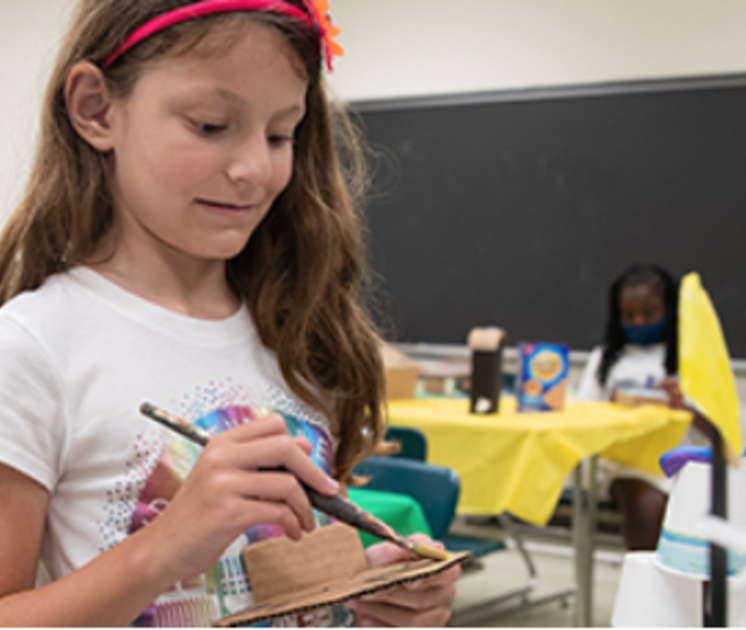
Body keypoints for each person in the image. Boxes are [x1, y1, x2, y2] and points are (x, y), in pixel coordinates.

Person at [0, 1, 459, 626]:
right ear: (96, 109)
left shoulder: (296, 332)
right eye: (210, 125)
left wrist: (369, 593)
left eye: (279, 135)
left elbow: (268, 586)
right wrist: (164, 547)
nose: (253, 170)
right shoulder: (31, 348)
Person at [575, 263, 710, 551]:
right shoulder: (605, 359)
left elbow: (721, 433)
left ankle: (687, 592)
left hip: (681, 462)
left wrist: (683, 407)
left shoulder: (692, 358)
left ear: (669, 311)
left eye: (649, 314)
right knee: (644, 503)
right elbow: (581, 416)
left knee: (699, 519)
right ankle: (646, 586)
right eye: (628, 315)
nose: (638, 322)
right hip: (621, 465)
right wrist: (609, 410)